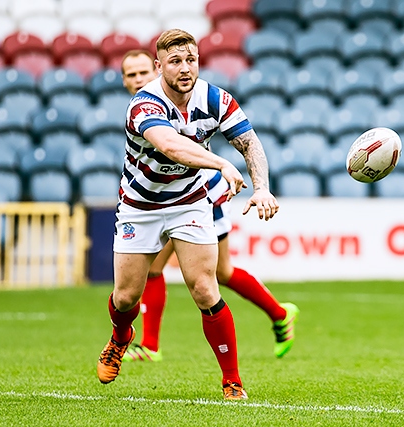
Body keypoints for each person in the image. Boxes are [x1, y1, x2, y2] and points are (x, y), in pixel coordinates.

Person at [97, 30, 283, 400]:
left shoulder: (216, 98)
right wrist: (220, 165)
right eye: (176, 61)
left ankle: (232, 382)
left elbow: (249, 142)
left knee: (204, 287)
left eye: (191, 60)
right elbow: (170, 145)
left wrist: (261, 187)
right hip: (140, 205)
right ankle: (121, 337)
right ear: (158, 66)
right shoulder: (143, 104)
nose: (185, 69)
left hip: (189, 201)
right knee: (125, 298)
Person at [118, 50, 299, 364]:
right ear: (123, 81)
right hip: (167, 197)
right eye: (131, 75)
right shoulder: (144, 108)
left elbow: (184, 145)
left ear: (157, 70)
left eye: (143, 72)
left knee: (217, 273)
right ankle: (150, 345)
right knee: (170, 270)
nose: (138, 80)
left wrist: (252, 182)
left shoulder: (183, 97)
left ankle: (280, 313)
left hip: (204, 194)